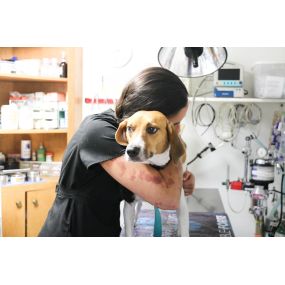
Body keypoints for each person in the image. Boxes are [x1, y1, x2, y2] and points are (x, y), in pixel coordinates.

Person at [39, 67, 195, 237]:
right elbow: (168, 199)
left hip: (105, 228)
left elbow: (160, 175)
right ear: (153, 115)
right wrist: (176, 155)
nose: (178, 130)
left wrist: (181, 180)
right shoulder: (99, 133)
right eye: (175, 124)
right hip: (72, 232)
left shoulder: (132, 135)